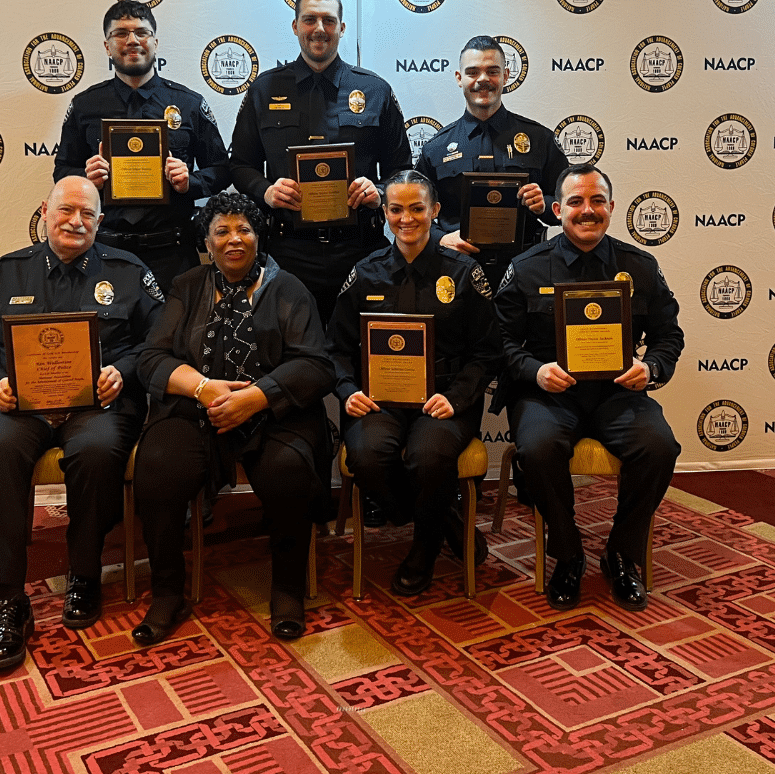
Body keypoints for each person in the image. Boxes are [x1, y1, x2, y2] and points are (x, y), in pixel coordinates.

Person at [0, 176, 164, 672]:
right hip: (23, 407)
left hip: (99, 405)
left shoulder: (129, 271)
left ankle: (84, 572)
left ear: (100, 220)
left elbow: (159, 341)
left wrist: (126, 370)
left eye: (88, 214)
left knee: (96, 451)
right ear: (45, 211)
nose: (76, 222)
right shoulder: (8, 272)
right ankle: (8, 601)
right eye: (67, 211)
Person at [130, 191, 335, 645]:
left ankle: (287, 588)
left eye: (244, 229)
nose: (234, 239)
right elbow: (151, 360)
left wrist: (259, 396)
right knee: (158, 469)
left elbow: (316, 366)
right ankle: (167, 593)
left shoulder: (288, 288)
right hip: (196, 411)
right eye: (221, 231)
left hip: (274, 414)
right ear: (207, 241)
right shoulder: (186, 286)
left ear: (259, 237)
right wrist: (205, 389)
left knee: (288, 472)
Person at [494, 163, 684, 611]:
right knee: (538, 450)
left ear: (612, 208)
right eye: (577, 201)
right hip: (548, 393)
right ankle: (568, 552)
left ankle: (621, 553)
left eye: (598, 201)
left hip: (618, 392)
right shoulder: (526, 268)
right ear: (558, 209)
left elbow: (668, 335)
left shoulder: (639, 265)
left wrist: (651, 368)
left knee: (659, 447)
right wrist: (535, 370)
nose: (588, 210)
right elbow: (498, 341)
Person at [327, 171, 502, 596]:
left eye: (417, 208)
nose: (407, 219)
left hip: (444, 397)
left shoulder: (464, 273)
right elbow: (335, 349)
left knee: (427, 457)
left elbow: (488, 352)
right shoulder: (366, 273)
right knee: (366, 456)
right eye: (396, 209)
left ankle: (423, 549)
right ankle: (444, 519)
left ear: (435, 211)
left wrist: (457, 397)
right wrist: (348, 391)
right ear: (384, 213)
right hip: (379, 398)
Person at [229, 0, 412, 326]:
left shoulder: (375, 90)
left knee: (359, 348)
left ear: (342, 28)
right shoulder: (264, 90)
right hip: (289, 250)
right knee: (293, 353)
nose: (319, 29)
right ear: (295, 26)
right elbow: (239, 164)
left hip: (360, 249)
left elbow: (402, 170)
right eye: (309, 19)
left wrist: (381, 192)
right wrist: (266, 191)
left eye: (329, 20)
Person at [55, 0, 230, 292]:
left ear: (155, 42)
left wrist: (190, 182)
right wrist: (86, 180)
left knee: (175, 338)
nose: (132, 40)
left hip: (173, 253)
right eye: (121, 33)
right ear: (107, 46)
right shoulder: (85, 105)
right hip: (106, 252)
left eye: (141, 32)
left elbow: (222, 170)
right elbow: (62, 172)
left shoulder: (189, 104)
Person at [415, 35, 570, 291]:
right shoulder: (436, 148)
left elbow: (570, 206)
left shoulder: (539, 139)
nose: (483, 79)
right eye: (472, 72)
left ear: (506, 75)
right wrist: (441, 239)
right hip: (456, 273)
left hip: (525, 275)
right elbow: (414, 212)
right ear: (459, 78)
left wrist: (544, 205)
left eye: (492, 71)